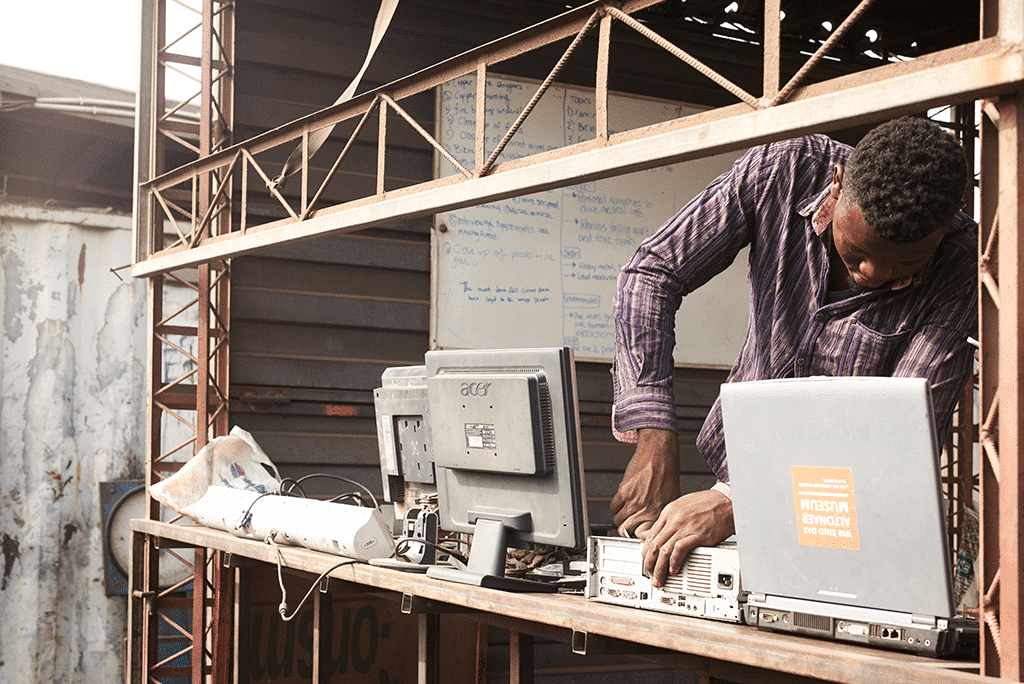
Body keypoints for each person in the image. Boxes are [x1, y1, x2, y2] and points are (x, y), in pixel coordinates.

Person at [609, 116, 977, 587]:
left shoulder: (962, 267)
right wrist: (654, 438)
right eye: (858, 249)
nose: (871, 273)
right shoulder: (785, 170)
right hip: (729, 486)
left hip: (850, 532)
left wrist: (739, 503)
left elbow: (899, 446)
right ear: (838, 184)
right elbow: (652, 273)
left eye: (904, 265)